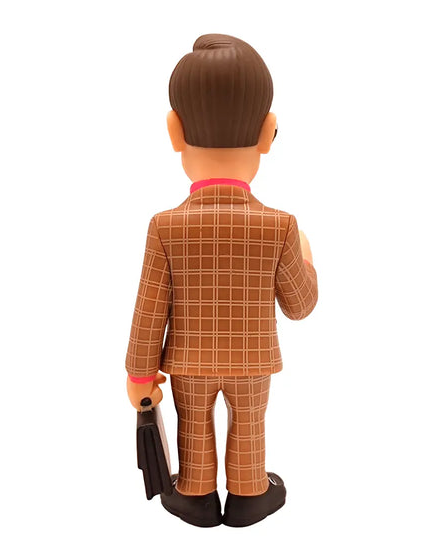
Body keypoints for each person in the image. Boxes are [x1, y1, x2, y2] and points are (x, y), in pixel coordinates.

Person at [125, 34, 318, 527]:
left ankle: (195, 494)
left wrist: (139, 375)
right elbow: (300, 306)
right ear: (268, 133)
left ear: (174, 131)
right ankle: (250, 494)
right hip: (253, 359)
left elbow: (149, 310)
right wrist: (305, 255)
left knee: (192, 424)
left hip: (187, 360)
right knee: (250, 423)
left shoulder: (165, 226)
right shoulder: (280, 226)